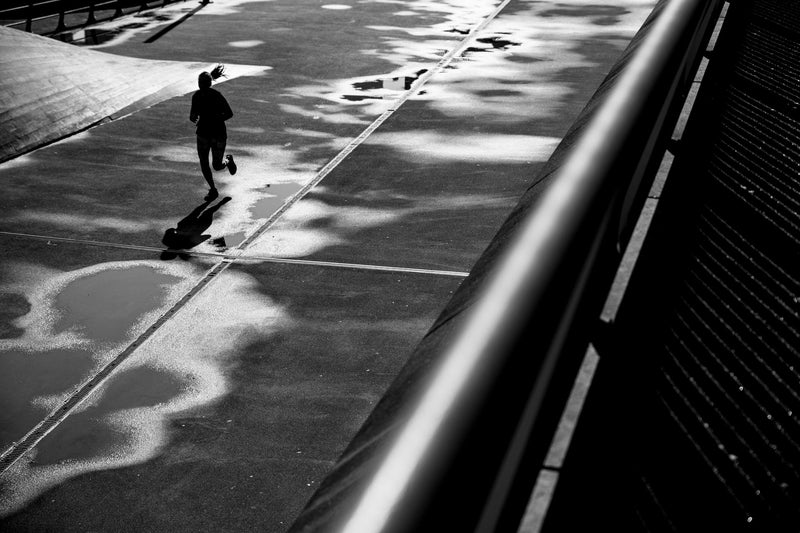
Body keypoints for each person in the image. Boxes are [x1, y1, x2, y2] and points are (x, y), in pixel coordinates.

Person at [190, 70, 237, 201]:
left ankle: (228, 161)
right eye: (199, 83)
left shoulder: (217, 96)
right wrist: (194, 118)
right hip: (203, 134)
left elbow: (229, 113)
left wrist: (216, 118)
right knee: (204, 162)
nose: (201, 85)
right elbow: (192, 115)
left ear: (209, 83)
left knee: (216, 166)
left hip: (218, 134)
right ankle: (213, 189)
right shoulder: (196, 97)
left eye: (203, 83)